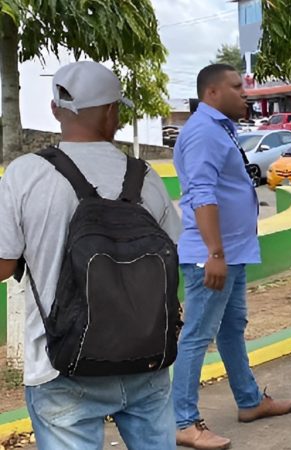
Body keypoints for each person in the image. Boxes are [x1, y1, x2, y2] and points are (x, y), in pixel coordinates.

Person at [0, 61, 182, 448]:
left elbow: (3, 265)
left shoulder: (25, 174)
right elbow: (171, 251)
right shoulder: (144, 176)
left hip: (62, 365)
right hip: (145, 357)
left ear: (54, 110)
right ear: (113, 111)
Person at [172, 64, 291, 450]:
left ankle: (250, 400)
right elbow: (202, 195)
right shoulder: (204, 134)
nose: (246, 93)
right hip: (211, 255)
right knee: (196, 336)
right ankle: (183, 421)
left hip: (231, 252)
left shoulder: (219, 129)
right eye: (237, 86)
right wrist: (215, 253)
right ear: (211, 92)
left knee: (230, 328)